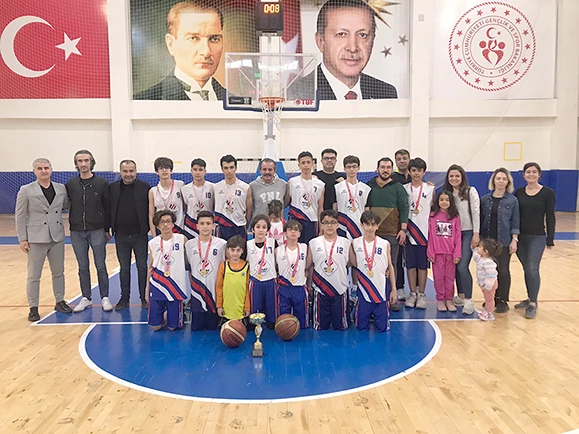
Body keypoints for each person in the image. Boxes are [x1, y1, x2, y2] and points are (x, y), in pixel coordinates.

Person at [290, 0, 397, 100]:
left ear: (373, 40)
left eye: (362, 35)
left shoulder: (386, 93)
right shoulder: (295, 96)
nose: (353, 48)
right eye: (341, 34)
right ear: (320, 41)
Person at [15, 158, 72, 321]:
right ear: (34, 171)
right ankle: (33, 307)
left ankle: (60, 301)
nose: (43, 171)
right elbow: (20, 215)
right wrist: (22, 238)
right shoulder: (26, 190)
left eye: (46, 168)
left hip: (56, 236)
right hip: (35, 237)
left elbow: (69, 205)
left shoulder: (60, 188)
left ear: (51, 170)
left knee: (58, 272)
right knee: (34, 275)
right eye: (40, 168)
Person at [134, 1, 225, 101]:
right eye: (193, 38)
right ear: (171, 44)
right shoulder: (144, 101)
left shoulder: (233, 100)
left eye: (214, 39)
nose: (206, 52)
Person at [67, 150, 112, 313]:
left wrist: (106, 229)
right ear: (76, 164)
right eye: (80, 161)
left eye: (86, 160)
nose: (83, 164)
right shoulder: (71, 184)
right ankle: (86, 297)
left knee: (100, 265)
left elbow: (107, 207)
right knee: (82, 266)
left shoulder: (101, 183)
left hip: (97, 230)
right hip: (77, 231)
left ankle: (105, 297)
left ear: (91, 162)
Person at [514, 162, 556, 319]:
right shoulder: (519, 193)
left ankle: (533, 303)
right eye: (528, 172)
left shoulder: (547, 193)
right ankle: (530, 297)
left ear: (539, 174)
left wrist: (550, 238)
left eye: (534, 172)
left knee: (532, 268)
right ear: (523, 175)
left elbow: (550, 216)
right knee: (527, 268)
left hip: (537, 237)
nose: (531, 174)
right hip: (520, 238)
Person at [366, 157, 409, 311]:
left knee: (392, 265)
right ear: (377, 169)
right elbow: (366, 208)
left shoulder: (398, 187)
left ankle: (392, 297)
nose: (385, 170)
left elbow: (404, 208)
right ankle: (372, 296)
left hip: (392, 233)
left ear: (392, 169)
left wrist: (403, 230)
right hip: (373, 233)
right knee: (372, 264)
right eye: (382, 167)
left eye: (388, 167)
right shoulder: (369, 186)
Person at [110, 160, 151, 310]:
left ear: (136, 171)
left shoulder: (145, 187)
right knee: (124, 268)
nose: (128, 174)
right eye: (125, 171)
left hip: (140, 235)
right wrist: (108, 229)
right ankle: (124, 298)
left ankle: (144, 297)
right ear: (120, 172)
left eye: (131, 171)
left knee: (142, 267)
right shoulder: (113, 188)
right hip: (120, 236)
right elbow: (109, 209)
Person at [480, 168, 520, 313]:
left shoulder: (512, 200)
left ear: (508, 182)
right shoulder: (485, 199)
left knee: (503, 271)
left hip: (504, 241)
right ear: (493, 181)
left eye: (504, 179)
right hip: (488, 242)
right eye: (498, 178)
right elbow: (481, 220)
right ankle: (492, 298)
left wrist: (514, 239)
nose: (501, 181)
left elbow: (515, 221)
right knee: (489, 271)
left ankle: (503, 300)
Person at [349, 211, 396, 332]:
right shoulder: (355, 243)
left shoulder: (385, 243)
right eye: (367, 224)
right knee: (361, 327)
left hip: (381, 291)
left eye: (373, 224)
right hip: (363, 291)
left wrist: (394, 290)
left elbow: (390, 266)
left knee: (382, 329)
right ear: (362, 225)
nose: (370, 228)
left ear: (377, 226)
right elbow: (353, 263)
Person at [443, 164, 480, 315]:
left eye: (457, 176)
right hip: (452, 234)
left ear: (462, 177)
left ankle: (469, 300)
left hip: (467, 233)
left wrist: (476, 234)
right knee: (456, 265)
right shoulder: (447, 194)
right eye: (451, 176)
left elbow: (476, 213)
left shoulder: (470, 191)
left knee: (463, 266)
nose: (454, 178)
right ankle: (461, 296)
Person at [307, 210, 351, 330]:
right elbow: (308, 265)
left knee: (340, 327)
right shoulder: (313, 243)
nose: (329, 225)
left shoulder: (346, 243)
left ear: (337, 225)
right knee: (320, 327)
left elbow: (352, 263)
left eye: (333, 222)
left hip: (340, 289)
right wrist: (309, 286)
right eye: (326, 222)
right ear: (321, 225)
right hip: (320, 290)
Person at [145, 210, 188, 331]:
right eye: (162, 222)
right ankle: (164, 315)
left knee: (172, 327)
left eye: (168, 221)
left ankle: (176, 313)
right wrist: (147, 289)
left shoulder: (182, 239)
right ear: (157, 226)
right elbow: (150, 266)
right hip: (157, 284)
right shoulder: (153, 243)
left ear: (173, 224)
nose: (165, 225)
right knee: (155, 327)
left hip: (175, 286)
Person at [185, 211, 226, 331]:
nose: (205, 226)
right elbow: (190, 268)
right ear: (197, 226)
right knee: (196, 328)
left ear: (213, 226)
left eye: (208, 223)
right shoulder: (189, 245)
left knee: (213, 328)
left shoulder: (222, 244)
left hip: (214, 292)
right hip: (197, 292)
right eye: (202, 223)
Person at [403, 158, 435, 310]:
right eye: (413, 170)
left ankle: (421, 294)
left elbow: (433, 209)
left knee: (422, 266)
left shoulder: (430, 189)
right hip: (409, 232)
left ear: (424, 172)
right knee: (410, 265)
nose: (416, 173)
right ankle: (412, 293)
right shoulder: (404, 189)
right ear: (409, 172)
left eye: (419, 170)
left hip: (424, 233)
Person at [427, 191, 461, 312]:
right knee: (439, 278)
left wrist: (457, 253)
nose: (444, 202)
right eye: (441, 200)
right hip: (437, 253)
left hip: (450, 253)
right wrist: (430, 252)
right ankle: (440, 299)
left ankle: (449, 299)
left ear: (451, 202)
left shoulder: (455, 217)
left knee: (450, 278)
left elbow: (458, 236)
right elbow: (430, 236)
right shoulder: (432, 216)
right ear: (437, 201)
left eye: (447, 200)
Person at [275, 219, 309, 329]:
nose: (293, 232)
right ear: (285, 233)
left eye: (296, 230)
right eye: (290, 229)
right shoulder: (278, 250)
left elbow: (309, 266)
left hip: (300, 287)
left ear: (299, 233)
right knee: (284, 322)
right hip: (284, 288)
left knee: (302, 324)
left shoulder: (305, 248)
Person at [287, 151, 325, 244]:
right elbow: (286, 202)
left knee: (310, 247)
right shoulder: (292, 182)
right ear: (299, 165)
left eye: (308, 162)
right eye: (303, 163)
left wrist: (321, 227)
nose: (306, 165)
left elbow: (320, 208)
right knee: (294, 246)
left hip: (312, 221)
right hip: (295, 219)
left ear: (312, 164)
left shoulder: (320, 184)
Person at [247, 215, 277, 327]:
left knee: (271, 321)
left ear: (267, 230)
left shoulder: (273, 243)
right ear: (253, 229)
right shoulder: (247, 245)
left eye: (264, 227)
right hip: (255, 282)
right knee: (254, 318)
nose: (261, 230)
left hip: (270, 281)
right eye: (258, 227)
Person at [214, 154, 251, 240]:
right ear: (222, 169)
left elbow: (249, 211)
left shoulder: (245, 187)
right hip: (222, 227)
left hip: (239, 227)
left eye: (231, 167)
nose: (229, 171)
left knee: (240, 249)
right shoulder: (216, 187)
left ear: (236, 168)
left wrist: (245, 225)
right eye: (226, 168)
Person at [333, 155, 371, 240]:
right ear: (344, 169)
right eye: (348, 167)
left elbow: (367, 211)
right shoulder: (337, 187)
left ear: (358, 168)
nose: (351, 169)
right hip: (342, 225)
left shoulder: (366, 188)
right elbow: (334, 209)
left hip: (359, 226)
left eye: (354, 166)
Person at [216, 235, 251, 322]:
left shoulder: (247, 266)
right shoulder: (223, 266)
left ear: (242, 251)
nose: (235, 253)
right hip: (226, 308)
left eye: (238, 250)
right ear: (228, 250)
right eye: (232, 250)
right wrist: (219, 306)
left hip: (240, 309)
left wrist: (247, 307)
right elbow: (219, 287)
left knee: (239, 329)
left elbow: (248, 289)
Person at [148, 157, 185, 236]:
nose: (164, 170)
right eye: (161, 168)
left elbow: (185, 206)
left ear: (171, 171)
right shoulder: (153, 191)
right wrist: (154, 235)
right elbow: (151, 215)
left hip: (178, 228)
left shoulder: (180, 185)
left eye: (167, 168)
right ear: (156, 172)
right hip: (161, 229)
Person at [182, 158, 214, 239]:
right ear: (191, 171)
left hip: (206, 225)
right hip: (190, 226)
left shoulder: (212, 187)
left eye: (200, 170)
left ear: (205, 171)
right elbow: (184, 207)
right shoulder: (184, 189)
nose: (197, 172)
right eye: (195, 169)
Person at [473, 238, 502, 321]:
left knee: (489, 299)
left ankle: (489, 313)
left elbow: (491, 275)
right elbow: (475, 257)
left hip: (490, 285)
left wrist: (488, 286)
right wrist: (474, 248)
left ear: (485, 251)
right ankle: (487, 311)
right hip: (484, 284)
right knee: (487, 298)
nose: (478, 248)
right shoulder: (481, 258)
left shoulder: (489, 262)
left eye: (480, 247)